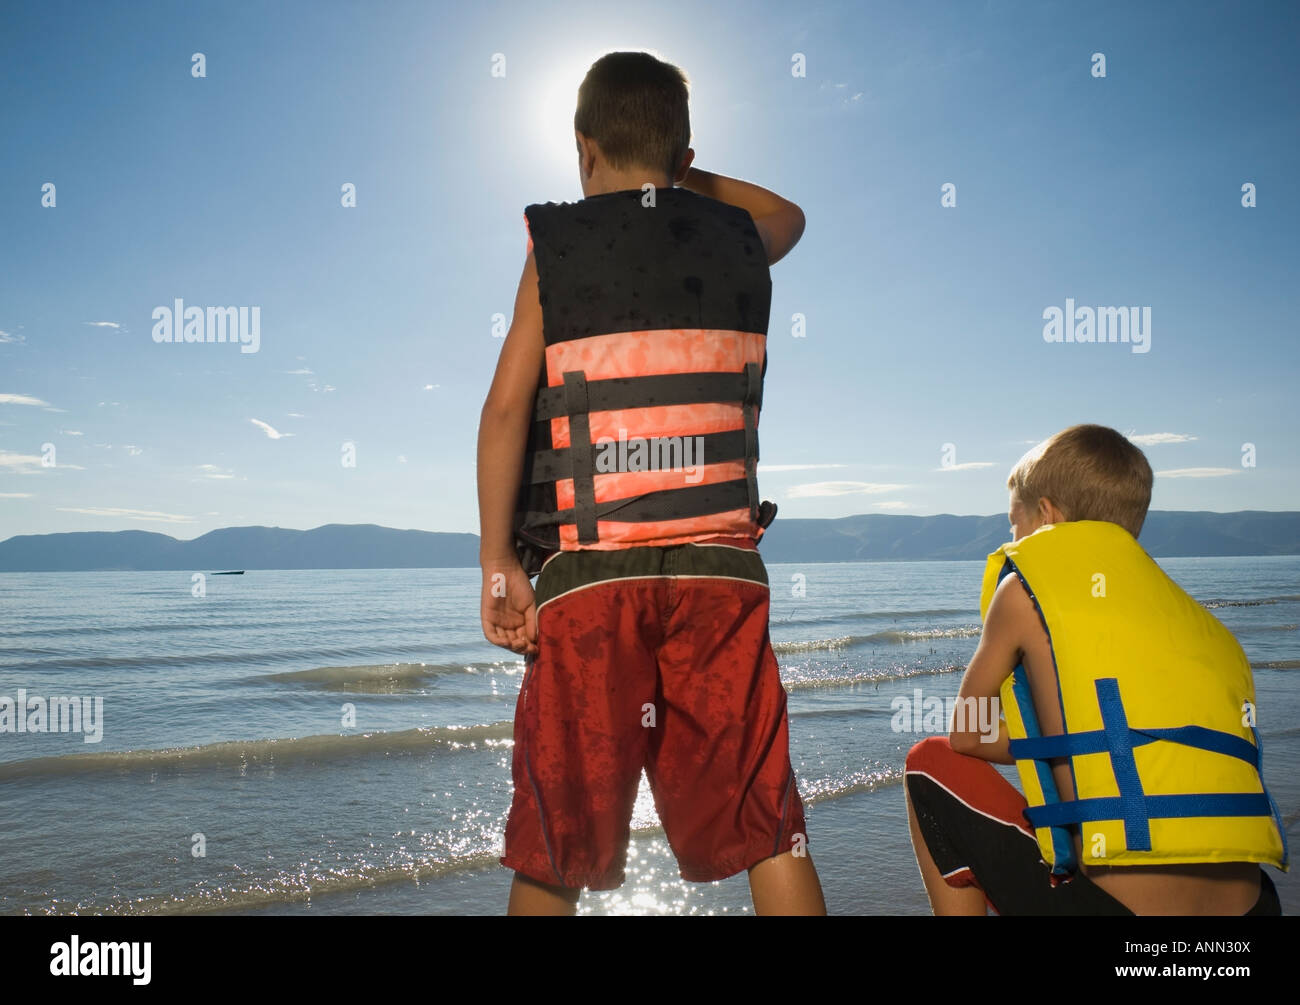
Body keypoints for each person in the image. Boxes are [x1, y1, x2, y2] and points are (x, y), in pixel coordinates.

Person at [476, 50, 826, 916]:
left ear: (581, 147)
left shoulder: (556, 246)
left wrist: (497, 561)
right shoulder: (741, 235)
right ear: (682, 157)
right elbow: (791, 213)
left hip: (593, 570)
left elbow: (505, 408)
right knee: (767, 821)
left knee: (559, 839)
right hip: (722, 571)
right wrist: (677, 172)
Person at [905, 423, 1287, 915]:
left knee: (929, 762)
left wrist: (1046, 746)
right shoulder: (1208, 627)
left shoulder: (1024, 592)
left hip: (1120, 915)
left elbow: (967, 734)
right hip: (1254, 910)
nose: (1014, 537)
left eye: (1013, 523)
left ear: (1047, 515)